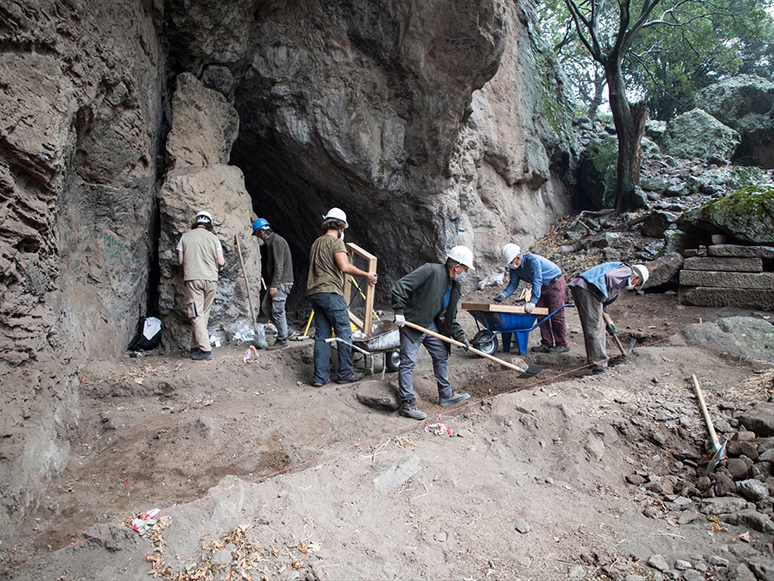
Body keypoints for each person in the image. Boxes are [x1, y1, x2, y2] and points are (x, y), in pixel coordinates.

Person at [391, 246, 474, 420]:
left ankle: (446, 395)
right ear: (457, 267)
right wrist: (399, 311)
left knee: (441, 353)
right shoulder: (431, 270)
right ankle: (407, 403)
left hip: (429, 324)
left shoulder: (455, 287)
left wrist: (460, 337)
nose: (465, 274)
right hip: (413, 323)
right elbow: (400, 286)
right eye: (465, 270)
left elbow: (450, 316)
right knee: (408, 363)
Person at [306, 208, 377, 387]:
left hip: (315, 293)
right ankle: (345, 372)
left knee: (322, 336)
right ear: (341, 227)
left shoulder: (316, 242)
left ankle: (320, 378)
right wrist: (367, 274)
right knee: (344, 332)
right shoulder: (336, 243)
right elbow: (344, 266)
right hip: (331, 292)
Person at [569, 262, 649, 374]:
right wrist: (602, 294)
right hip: (589, 289)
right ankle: (600, 365)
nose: (635, 286)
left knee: (593, 327)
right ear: (636, 277)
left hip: (583, 287)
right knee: (596, 328)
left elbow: (603, 305)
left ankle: (595, 361)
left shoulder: (619, 285)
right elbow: (609, 279)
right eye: (637, 284)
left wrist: (609, 322)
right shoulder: (627, 271)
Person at [494, 244, 569, 354]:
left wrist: (533, 301)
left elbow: (537, 280)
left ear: (518, 258)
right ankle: (546, 343)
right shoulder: (515, 268)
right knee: (540, 314)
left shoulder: (532, 261)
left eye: (510, 262)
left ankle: (562, 344)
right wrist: (504, 294)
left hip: (554, 283)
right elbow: (513, 284)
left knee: (556, 314)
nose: (510, 265)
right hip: (541, 286)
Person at [177, 211, 225, 360]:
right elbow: (221, 262)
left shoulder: (185, 237)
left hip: (193, 279)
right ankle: (195, 347)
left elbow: (180, 261)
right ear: (209, 223)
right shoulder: (214, 239)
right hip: (211, 280)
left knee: (196, 314)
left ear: (196, 222)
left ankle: (205, 350)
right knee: (202, 315)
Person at [252, 218, 294, 348]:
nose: (257, 238)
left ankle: (282, 340)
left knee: (278, 311)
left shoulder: (276, 241)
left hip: (281, 283)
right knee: (265, 306)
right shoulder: (271, 243)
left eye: (257, 234)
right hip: (276, 282)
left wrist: (274, 285)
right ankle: (287, 330)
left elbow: (278, 266)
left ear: (261, 232)